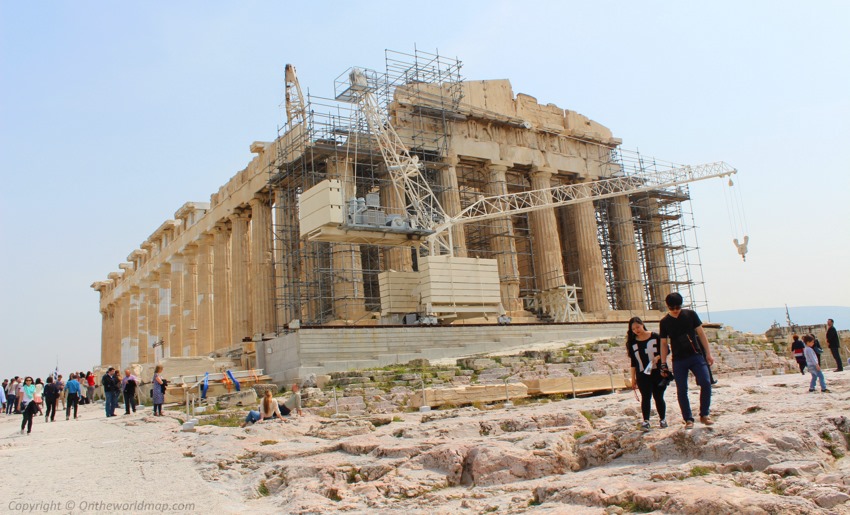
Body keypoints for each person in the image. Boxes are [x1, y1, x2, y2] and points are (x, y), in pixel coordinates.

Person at [659, 292, 715, 429]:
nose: (675, 310)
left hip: (695, 355)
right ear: (668, 307)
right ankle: (688, 419)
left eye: (678, 307)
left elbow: (701, 334)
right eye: (672, 308)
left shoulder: (690, 315)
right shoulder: (665, 322)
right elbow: (663, 344)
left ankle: (704, 414)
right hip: (678, 359)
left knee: (706, 382)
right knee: (682, 389)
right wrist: (663, 363)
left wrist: (708, 353)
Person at [626, 317, 669, 430]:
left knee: (659, 397)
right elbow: (633, 362)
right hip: (642, 374)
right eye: (633, 329)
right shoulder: (632, 342)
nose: (636, 330)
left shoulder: (655, 336)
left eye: (638, 327)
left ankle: (663, 419)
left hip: (657, 372)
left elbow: (666, 350)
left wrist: (658, 357)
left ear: (643, 324)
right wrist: (633, 378)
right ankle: (646, 421)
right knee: (646, 397)